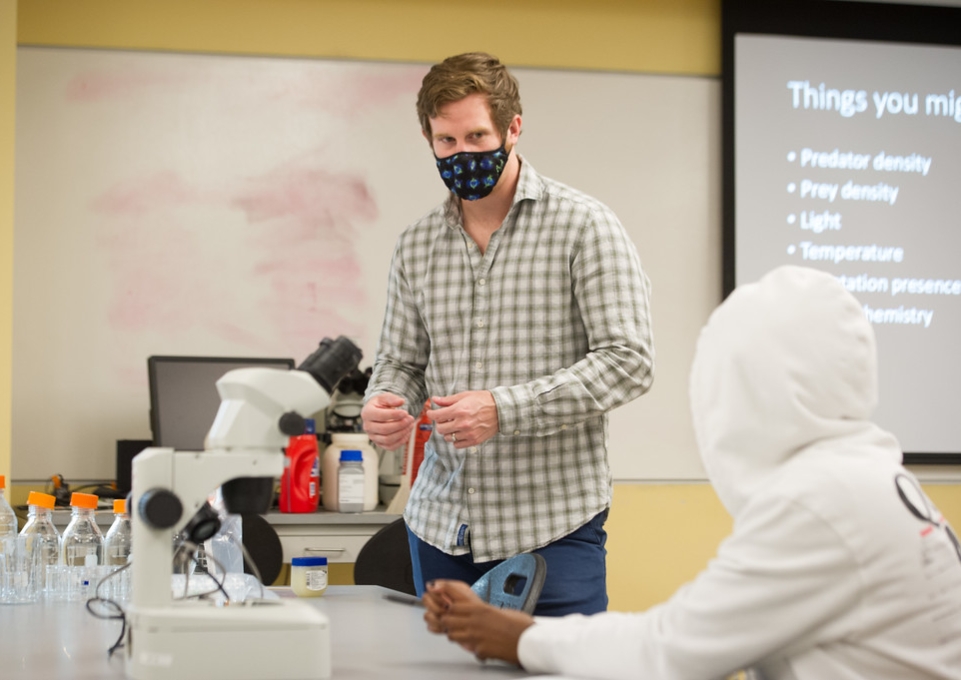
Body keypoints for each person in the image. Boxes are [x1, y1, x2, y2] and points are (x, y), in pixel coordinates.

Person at [423, 265, 961, 679]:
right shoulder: (869, 479)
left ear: (753, 388)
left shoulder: (823, 504)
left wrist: (515, 636)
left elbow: (670, 652)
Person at [361, 52, 655, 616]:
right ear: (428, 138)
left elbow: (629, 360)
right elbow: (401, 361)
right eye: (446, 142)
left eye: (476, 136)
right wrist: (386, 400)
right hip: (439, 529)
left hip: (552, 529)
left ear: (512, 127)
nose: (461, 155)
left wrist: (503, 408)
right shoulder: (416, 245)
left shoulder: (584, 226)